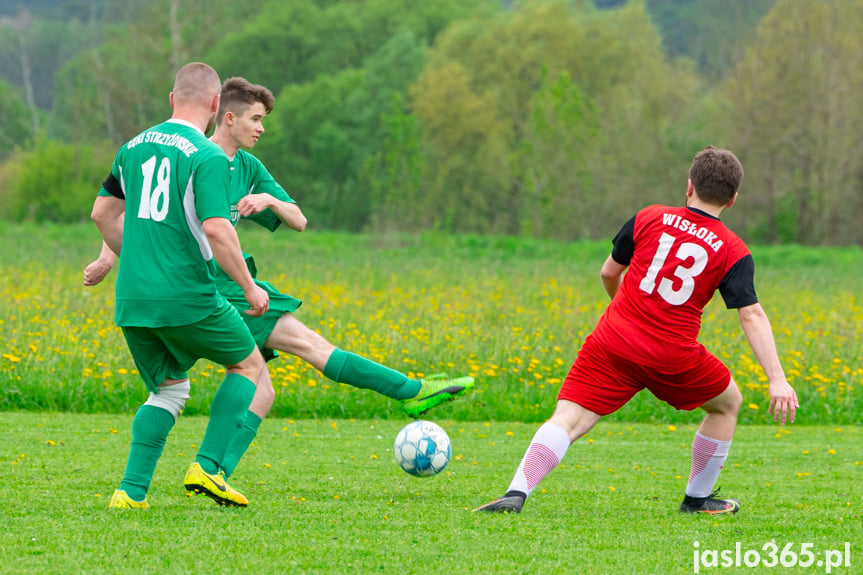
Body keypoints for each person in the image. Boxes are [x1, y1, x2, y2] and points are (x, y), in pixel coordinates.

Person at [85, 76, 474, 480]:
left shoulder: (248, 166)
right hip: (211, 286)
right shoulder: (198, 157)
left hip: (222, 283)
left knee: (263, 391)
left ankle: (214, 475)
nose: (262, 128)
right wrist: (107, 255)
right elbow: (149, 216)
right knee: (309, 345)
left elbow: (299, 220)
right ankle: (411, 392)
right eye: (255, 118)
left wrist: (269, 199)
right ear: (227, 114)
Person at [474, 146, 799, 515]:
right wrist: (776, 378)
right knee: (727, 404)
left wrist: (623, 315)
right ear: (733, 199)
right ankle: (697, 500)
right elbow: (751, 314)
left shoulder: (649, 216)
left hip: (612, 342)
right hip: (672, 356)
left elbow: (608, 273)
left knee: (568, 418)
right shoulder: (733, 249)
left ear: (689, 186)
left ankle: (516, 492)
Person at [91, 62, 270, 510]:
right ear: (216, 105)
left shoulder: (131, 147)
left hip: (132, 298)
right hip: (187, 294)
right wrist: (249, 286)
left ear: (172, 99)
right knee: (249, 366)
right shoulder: (205, 155)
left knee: (168, 389)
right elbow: (216, 228)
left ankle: (130, 494)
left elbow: (102, 214)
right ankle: (208, 467)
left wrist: (134, 259)